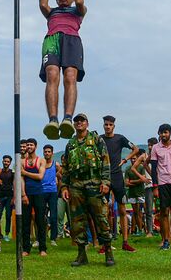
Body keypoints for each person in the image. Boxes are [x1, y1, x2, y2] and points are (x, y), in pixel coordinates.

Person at [61, 113, 115, 267]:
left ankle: (108, 253)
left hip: (94, 184)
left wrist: (106, 182)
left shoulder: (97, 140)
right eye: (76, 121)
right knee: (77, 222)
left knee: (101, 219)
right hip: (76, 186)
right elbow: (65, 167)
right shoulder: (70, 144)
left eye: (82, 120)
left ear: (87, 123)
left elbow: (106, 161)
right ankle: (81, 254)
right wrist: (64, 186)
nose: (79, 123)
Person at [39, 0, 87, 140]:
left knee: (69, 77)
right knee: (52, 75)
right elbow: (43, 4)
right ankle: (53, 120)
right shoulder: (52, 12)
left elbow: (80, 1)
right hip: (52, 40)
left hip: (71, 40)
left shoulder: (78, 10)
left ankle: (67, 118)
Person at [99, 115, 139, 252]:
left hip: (117, 177)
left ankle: (125, 242)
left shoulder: (120, 138)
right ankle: (106, 243)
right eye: (106, 124)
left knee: (122, 209)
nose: (108, 126)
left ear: (113, 126)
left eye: (110, 124)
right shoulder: (100, 140)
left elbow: (136, 149)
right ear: (103, 125)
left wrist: (126, 159)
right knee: (104, 211)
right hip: (104, 178)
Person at [21, 138, 47, 256]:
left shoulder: (41, 161)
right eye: (27, 145)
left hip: (39, 193)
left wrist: (25, 173)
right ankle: (26, 249)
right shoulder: (22, 162)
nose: (29, 147)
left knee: (40, 221)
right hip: (27, 194)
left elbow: (40, 176)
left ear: (35, 146)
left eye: (31, 145)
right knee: (26, 222)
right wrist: (23, 195)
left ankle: (43, 248)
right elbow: (21, 180)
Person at [125, 151, 149, 236]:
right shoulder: (127, 169)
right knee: (135, 212)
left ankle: (147, 229)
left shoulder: (141, 167)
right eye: (131, 159)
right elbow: (126, 183)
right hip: (132, 193)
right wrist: (137, 181)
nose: (133, 160)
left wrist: (132, 181)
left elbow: (143, 179)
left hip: (141, 193)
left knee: (143, 212)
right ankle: (139, 230)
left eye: (134, 158)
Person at [42, 144, 61, 245]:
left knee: (53, 216)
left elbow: (60, 174)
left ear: (52, 153)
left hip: (53, 192)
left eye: (49, 151)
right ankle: (41, 237)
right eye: (45, 151)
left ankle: (53, 238)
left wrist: (57, 179)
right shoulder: (41, 163)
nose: (47, 153)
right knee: (41, 215)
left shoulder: (56, 164)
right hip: (42, 192)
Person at [0, 155, 14, 241]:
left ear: (10, 163)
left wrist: (13, 198)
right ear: (2, 161)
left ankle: (7, 234)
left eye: (7, 161)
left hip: (9, 197)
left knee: (8, 216)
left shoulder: (12, 173)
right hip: (0, 196)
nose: (6, 163)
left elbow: (14, 185)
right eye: (5, 161)